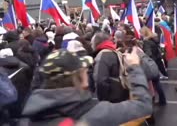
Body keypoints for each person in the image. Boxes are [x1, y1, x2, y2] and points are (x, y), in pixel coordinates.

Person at [21, 49, 152, 125]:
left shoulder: (26, 118)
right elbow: (143, 107)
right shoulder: (96, 114)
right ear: (77, 78)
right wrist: (134, 67)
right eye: (84, 71)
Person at [91, 32, 129, 103]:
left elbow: (100, 81)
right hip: (121, 95)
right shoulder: (114, 52)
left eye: (92, 43)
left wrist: (102, 100)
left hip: (111, 99)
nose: (91, 46)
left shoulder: (102, 55)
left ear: (96, 43)